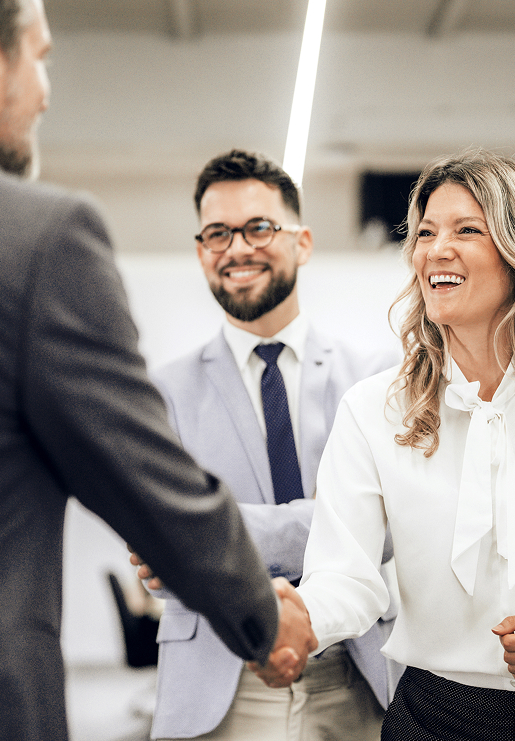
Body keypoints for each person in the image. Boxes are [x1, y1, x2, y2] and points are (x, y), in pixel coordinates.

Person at [0, 0, 314, 740]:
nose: (44, 91)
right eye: (39, 57)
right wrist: (264, 620)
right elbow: (151, 488)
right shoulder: (32, 239)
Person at [259, 149, 515, 740]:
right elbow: (346, 574)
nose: (436, 249)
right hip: (435, 715)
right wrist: (303, 617)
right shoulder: (374, 410)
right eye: (425, 233)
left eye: (466, 230)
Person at [131, 149, 397, 741]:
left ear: (302, 242)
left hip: (359, 673)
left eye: (258, 227)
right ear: (202, 251)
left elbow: (387, 528)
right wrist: (329, 525)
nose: (236, 249)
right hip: (221, 685)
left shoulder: (375, 377)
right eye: (217, 234)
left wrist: (218, 529)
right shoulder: (163, 394)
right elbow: (161, 557)